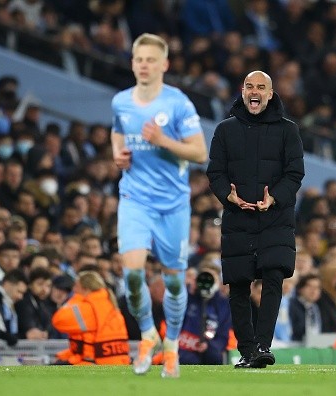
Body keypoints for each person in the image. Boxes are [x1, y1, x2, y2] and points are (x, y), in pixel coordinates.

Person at [111, 33, 208, 377]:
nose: (144, 66)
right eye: (139, 60)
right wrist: (118, 155)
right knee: (133, 273)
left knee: (174, 282)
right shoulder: (121, 101)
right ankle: (148, 334)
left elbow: (200, 152)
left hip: (173, 205)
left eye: (151, 60)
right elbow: (118, 131)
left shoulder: (178, 103)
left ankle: (171, 345)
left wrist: (163, 141)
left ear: (164, 65)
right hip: (135, 199)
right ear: (132, 63)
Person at [206, 70, 304, 368]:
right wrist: (229, 196)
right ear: (243, 91)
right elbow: (215, 172)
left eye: (261, 87)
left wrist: (273, 198)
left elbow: (294, 173)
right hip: (238, 218)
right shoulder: (225, 130)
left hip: (275, 217)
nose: (255, 91)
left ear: (270, 94)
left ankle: (263, 345)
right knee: (238, 284)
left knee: (273, 277)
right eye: (250, 86)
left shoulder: (289, 130)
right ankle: (248, 351)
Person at [52, 271, 130, 365]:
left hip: (95, 363)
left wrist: (77, 298)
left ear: (86, 289)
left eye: (76, 286)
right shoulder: (110, 306)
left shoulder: (89, 308)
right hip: (115, 361)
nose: (73, 289)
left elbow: (58, 321)